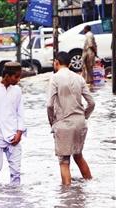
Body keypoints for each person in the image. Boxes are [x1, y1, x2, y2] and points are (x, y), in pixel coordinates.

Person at [47, 52, 95, 186]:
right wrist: (83, 116)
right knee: (78, 156)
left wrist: (52, 122)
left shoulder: (55, 78)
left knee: (64, 161)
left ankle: (67, 197)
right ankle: (91, 186)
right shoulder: (79, 78)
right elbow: (92, 103)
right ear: (69, 64)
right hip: (80, 122)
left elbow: (49, 105)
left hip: (63, 124)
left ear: (56, 62)